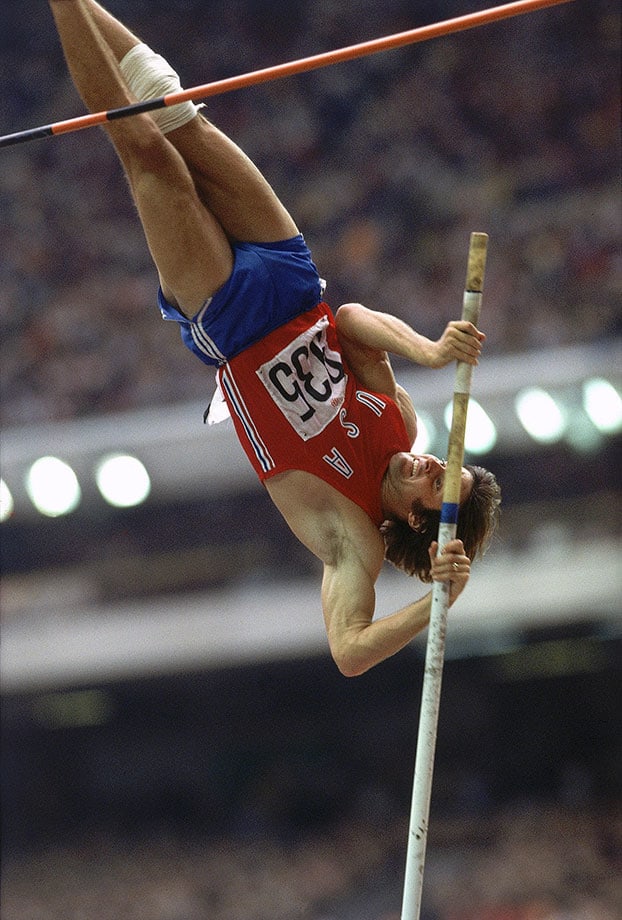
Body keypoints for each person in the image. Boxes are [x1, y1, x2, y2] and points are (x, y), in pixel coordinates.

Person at [48, 0, 501, 676]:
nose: (436, 464)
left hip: (229, 317)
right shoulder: (399, 422)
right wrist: (430, 352)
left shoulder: (352, 541)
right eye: (449, 463)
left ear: (418, 522)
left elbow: (349, 652)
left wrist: (438, 604)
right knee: (177, 114)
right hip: (292, 279)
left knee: (147, 153)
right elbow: (351, 325)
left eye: (440, 485)